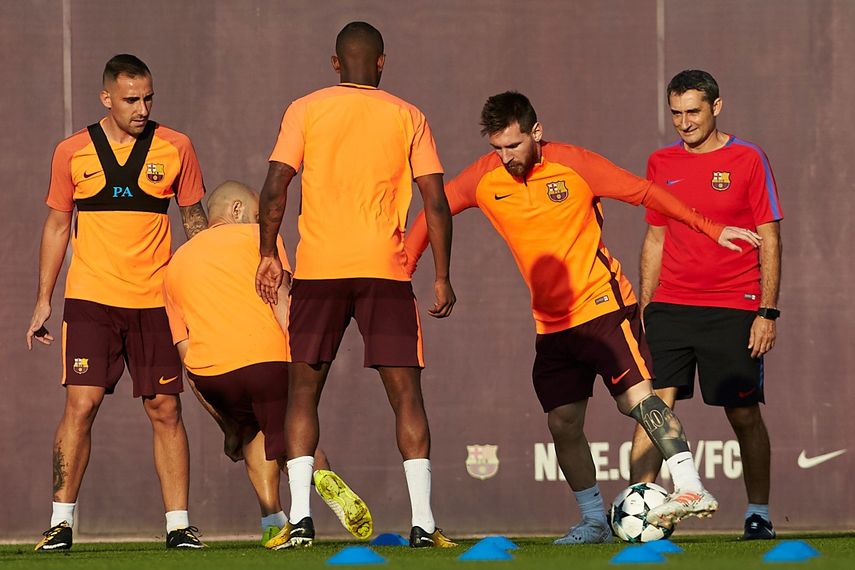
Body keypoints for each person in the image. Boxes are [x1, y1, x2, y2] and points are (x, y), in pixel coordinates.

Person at [406, 91, 763, 544]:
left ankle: (690, 487)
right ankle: (594, 519)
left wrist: (711, 228)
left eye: (513, 145)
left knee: (637, 400)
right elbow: (436, 207)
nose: (505, 157)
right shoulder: (484, 177)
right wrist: (406, 266)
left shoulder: (575, 164)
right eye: (497, 148)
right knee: (562, 423)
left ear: (536, 133)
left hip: (602, 306)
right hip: (550, 325)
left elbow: (648, 193)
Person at [254, 21, 457, 549]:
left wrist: (265, 254)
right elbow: (436, 201)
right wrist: (441, 275)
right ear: (383, 63)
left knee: (302, 391)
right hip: (385, 271)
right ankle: (424, 523)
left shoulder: (306, 108)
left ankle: (299, 521)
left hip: (320, 269)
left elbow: (276, 186)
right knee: (406, 395)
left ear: (336, 63)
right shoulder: (408, 115)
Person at [26, 54, 208, 551]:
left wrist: (206, 295)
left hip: (155, 301)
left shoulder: (177, 148)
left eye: (148, 98)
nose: (142, 108)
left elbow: (195, 226)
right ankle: (61, 523)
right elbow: (58, 225)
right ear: (107, 98)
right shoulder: (72, 151)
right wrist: (44, 299)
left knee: (165, 407)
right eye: (131, 99)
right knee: (80, 405)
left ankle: (178, 526)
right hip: (91, 300)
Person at [164, 181, 373, 548]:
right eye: (259, 215)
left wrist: (221, 419)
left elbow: (184, 349)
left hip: (212, 373)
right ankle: (319, 480)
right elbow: (282, 301)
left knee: (250, 436)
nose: (264, 222)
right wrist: (301, 359)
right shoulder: (261, 240)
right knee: (293, 438)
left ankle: (272, 521)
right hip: (266, 363)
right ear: (237, 211)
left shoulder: (175, 263)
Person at [628, 70, 783, 540]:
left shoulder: (748, 158)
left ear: (717, 107)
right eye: (675, 113)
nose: (684, 122)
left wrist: (767, 311)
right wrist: (648, 306)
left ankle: (758, 512)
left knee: (742, 414)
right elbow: (655, 236)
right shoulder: (660, 162)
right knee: (655, 409)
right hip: (671, 307)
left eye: (693, 111)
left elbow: (770, 238)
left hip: (735, 306)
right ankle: (642, 507)